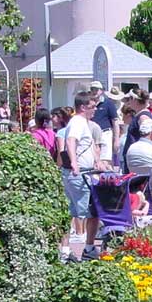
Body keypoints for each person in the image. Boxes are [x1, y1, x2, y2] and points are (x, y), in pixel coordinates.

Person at [63, 92, 103, 260]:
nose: (95, 110)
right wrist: (74, 162)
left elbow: (91, 144)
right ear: (83, 107)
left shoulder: (84, 123)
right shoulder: (78, 122)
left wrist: (98, 161)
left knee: (76, 211)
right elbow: (71, 141)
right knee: (88, 211)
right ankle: (86, 248)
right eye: (93, 107)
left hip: (86, 171)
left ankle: (72, 250)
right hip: (79, 173)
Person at [121, 89, 152, 172]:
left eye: (130, 98)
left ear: (135, 100)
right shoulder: (140, 115)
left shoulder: (142, 116)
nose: (129, 101)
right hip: (133, 158)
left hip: (136, 159)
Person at [90, 81, 121, 166]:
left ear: (101, 91)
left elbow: (115, 121)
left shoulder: (108, 103)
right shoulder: (88, 103)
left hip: (105, 133)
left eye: (97, 89)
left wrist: (116, 139)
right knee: (93, 160)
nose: (94, 91)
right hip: (91, 135)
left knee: (105, 160)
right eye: (92, 89)